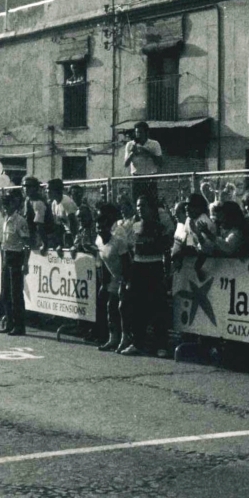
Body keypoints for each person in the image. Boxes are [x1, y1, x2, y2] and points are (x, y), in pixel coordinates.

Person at [120, 195, 172, 356]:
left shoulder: (160, 227)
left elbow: (166, 249)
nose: (140, 209)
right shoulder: (133, 226)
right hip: (138, 267)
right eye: (138, 206)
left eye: (143, 206)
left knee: (158, 307)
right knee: (137, 307)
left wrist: (166, 272)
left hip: (155, 267)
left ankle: (161, 345)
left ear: (151, 208)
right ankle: (137, 343)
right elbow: (129, 249)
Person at [95, 203, 131, 352]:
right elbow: (103, 263)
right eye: (98, 228)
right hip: (114, 277)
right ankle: (113, 338)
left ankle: (125, 338)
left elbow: (127, 263)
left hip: (126, 276)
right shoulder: (98, 241)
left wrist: (126, 282)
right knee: (111, 307)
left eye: (104, 227)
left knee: (123, 308)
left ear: (109, 228)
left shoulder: (118, 241)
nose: (101, 230)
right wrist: (105, 283)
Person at [0, 191, 30, 336]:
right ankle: (9, 322)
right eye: (4, 206)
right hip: (7, 256)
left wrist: (25, 262)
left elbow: (26, 244)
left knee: (16, 294)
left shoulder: (20, 221)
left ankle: (19, 325)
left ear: (13, 204)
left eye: (7, 205)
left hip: (16, 257)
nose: (5, 208)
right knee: (6, 293)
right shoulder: (6, 219)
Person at [124, 122, 162, 201]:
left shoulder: (154, 144)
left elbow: (160, 163)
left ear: (146, 133)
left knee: (152, 202)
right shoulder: (130, 145)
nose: (138, 135)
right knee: (137, 201)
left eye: (141, 132)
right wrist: (132, 153)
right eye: (137, 132)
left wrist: (148, 153)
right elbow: (126, 164)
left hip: (151, 177)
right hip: (137, 178)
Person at [46, 178, 78, 250]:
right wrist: (59, 244)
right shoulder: (54, 203)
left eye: (49, 189)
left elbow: (74, 225)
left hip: (76, 237)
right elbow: (58, 226)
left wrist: (74, 245)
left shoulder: (67, 202)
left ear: (56, 191)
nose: (46, 191)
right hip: (67, 237)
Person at [22, 177, 52, 251]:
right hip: (33, 237)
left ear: (35, 188)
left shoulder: (38, 203)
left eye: (29, 186)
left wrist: (44, 243)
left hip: (44, 237)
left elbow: (39, 225)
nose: (26, 188)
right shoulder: (28, 200)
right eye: (24, 186)